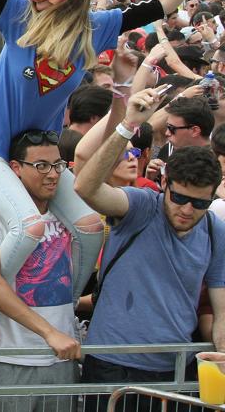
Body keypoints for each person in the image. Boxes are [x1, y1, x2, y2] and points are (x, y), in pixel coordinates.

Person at [0, 0, 206, 299]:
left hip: (42, 160)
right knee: (29, 227)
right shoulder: (19, 13)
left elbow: (162, 5)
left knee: (88, 228)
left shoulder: (95, 26)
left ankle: (65, 303)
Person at [74, 87, 225, 411]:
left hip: (176, 370)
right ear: (165, 185)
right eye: (180, 198)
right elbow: (85, 187)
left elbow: (221, 309)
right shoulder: (142, 206)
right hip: (110, 365)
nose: (187, 210)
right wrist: (127, 126)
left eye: (200, 202)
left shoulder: (215, 228)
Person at [0, 130, 80, 412]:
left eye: (57, 165)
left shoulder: (68, 209)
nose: (52, 174)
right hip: (11, 357)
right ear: (15, 168)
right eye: (41, 166)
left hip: (62, 359)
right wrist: (48, 332)